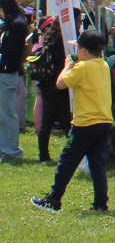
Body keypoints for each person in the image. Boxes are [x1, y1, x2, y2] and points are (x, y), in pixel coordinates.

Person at [30, 30, 113, 213]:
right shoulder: (103, 65)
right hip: (104, 121)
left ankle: (54, 199)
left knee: (66, 161)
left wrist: (68, 65)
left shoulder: (81, 68)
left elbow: (60, 84)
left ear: (83, 51)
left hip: (84, 124)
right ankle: (101, 202)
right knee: (97, 164)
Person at [30, 17, 71, 162]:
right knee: (68, 123)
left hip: (47, 83)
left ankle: (44, 155)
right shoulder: (63, 40)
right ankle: (71, 153)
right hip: (58, 84)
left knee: (47, 122)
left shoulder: (50, 37)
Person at [0, 0, 33, 160]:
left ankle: (11, 150)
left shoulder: (17, 24)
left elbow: (13, 51)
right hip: (4, 72)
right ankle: (4, 147)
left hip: (8, 72)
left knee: (7, 113)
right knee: (3, 113)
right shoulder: (11, 23)